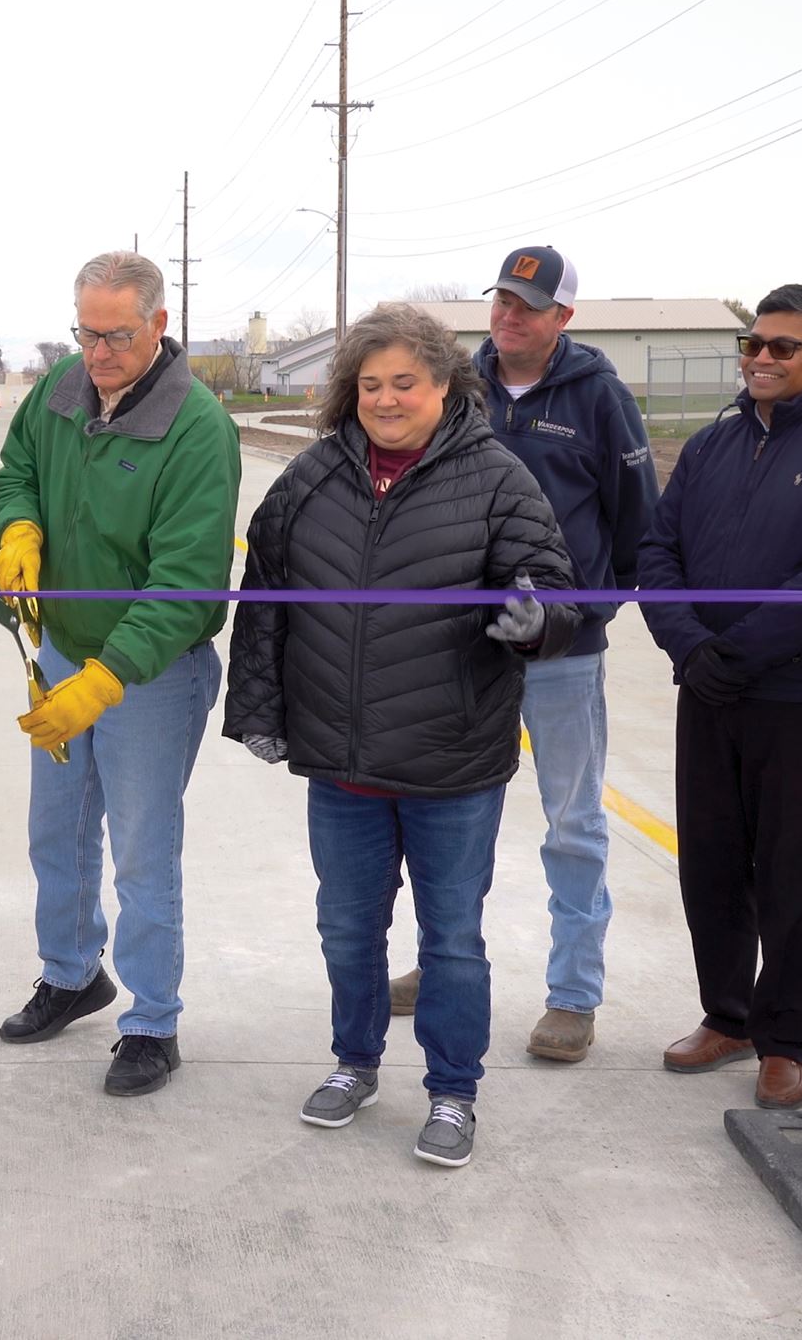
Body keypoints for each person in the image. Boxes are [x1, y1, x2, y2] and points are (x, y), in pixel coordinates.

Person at [226, 305, 578, 1167]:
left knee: (451, 936)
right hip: (342, 762)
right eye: (371, 384)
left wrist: (533, 620)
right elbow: (263, 602)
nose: (386, 400)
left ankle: (454, 1092)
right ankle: (355, 1063)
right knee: (348, 930)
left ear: (444, 386)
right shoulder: (310, 478)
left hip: (451, 761)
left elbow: (559, 596)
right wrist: (264, 714)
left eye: (404, 384)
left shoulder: (497, 480)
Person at [385, 244, 657, 1063]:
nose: (508, 318)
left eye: (528, 307)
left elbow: (638, 533)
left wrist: (578, 619)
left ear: (563, 318)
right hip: (464, 653)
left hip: (563, 657)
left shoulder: (600, 397)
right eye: (501, 301)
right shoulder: (458, 390)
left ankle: (573, 995)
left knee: (571, 825)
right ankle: (445, 966)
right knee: (455, 820)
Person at [0, 250, 240, 1097]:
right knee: (55, 831)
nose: (96, 354)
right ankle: (69, 973)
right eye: (84, 333)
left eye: (116, 337)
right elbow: (15, 468)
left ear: (159, 326)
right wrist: (19, 530)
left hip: (149, 675)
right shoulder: (61, 388)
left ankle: (152, 1022)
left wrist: (107, 678)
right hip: (60, 645)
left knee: (140, 849)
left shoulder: (197, 428)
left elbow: (187, 581)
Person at [639, 283, 802, 1112]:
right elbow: (658, 548)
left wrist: (737, 653)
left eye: (783, 347)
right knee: (712, 862)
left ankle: (786, 1040)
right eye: (753, 343)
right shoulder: (712, 447)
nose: (761, 358)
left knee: (792, 868)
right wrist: (689, 648)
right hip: (706, 689)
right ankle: (730, 1015)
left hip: (800, 695)